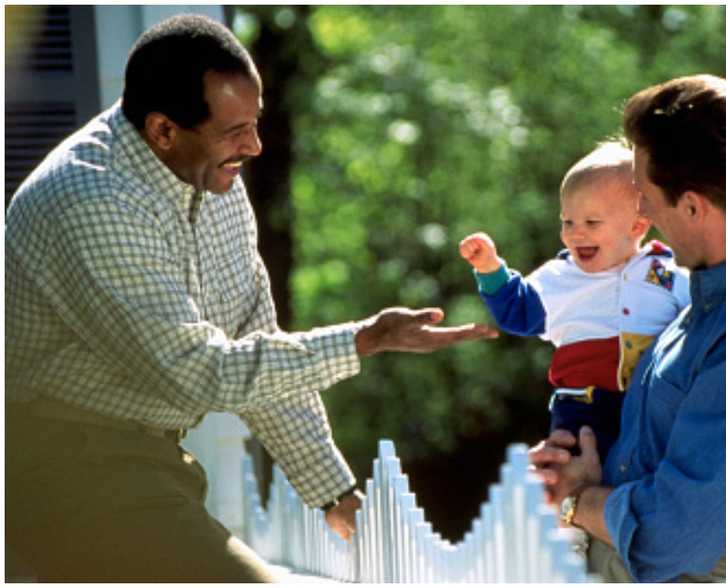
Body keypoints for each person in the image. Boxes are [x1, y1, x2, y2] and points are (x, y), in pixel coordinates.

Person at [4, 14, 495, 582]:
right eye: (234, 129)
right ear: (163, 130)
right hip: (60, 461)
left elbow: (254, 346)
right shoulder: (92, 198)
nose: (255, 145)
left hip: (142, 459)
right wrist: (366, 339)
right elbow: (197, 372)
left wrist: (335, 493)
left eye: (256, 123)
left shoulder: (212, 177)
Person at [528, 74, 726, 582]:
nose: (646, 220)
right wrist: (585, 464)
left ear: (694, 206)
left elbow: (670, 539)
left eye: (647, 203)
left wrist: (577, 500)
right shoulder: (710, 299)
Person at [458, 141, 690, 461]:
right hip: (584, 409)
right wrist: (490, 269)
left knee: (654, 471)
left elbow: (705, 315)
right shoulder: (560, 276)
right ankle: (577, 506)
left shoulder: (667, 271)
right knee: (578, 471)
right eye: (568, 222)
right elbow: (518, 311)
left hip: (653, 405)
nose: (576, 234)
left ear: (637, 225)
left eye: (591, 223)